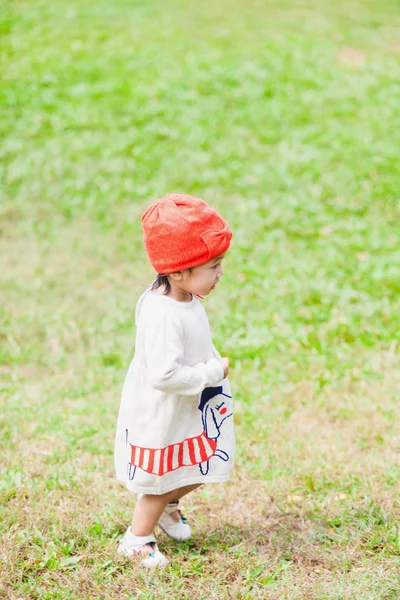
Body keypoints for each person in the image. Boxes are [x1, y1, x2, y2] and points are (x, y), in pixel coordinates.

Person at [114, 193, 235, 568]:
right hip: (166, 407)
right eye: (213, 266)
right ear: (179, 271)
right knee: (160, 477)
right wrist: (210, 373)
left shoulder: (183, 296)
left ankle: (169, 507)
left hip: (189, 405)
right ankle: (137, 538)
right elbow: (164, 374)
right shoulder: (162, 313)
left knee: (204, 464)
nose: (220, 273)